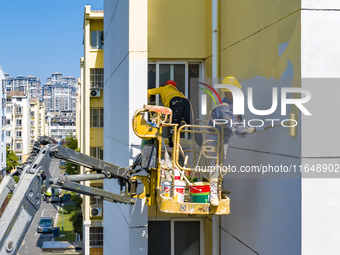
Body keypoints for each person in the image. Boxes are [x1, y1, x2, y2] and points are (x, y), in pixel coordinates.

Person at [207, 76, 265, 206]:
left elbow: (238, 121)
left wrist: (243, 128)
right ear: (227, 92)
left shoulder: (233, 104)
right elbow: (236, 128)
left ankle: (217, 189)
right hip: (214, 138)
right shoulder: (224, 108)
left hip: (223, 138)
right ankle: (213, 195)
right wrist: (254, 129)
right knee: (215, 165)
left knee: (220, 165)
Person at [148, 80, 191, 148]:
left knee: (175, 124)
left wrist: (147, 99)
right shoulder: (177, 92)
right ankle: (201, 142)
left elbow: (149, 91)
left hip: (175, 102)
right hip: (186, 101)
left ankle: (172, 145)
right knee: (191, 122)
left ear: (166, 84)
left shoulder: (163, 88)